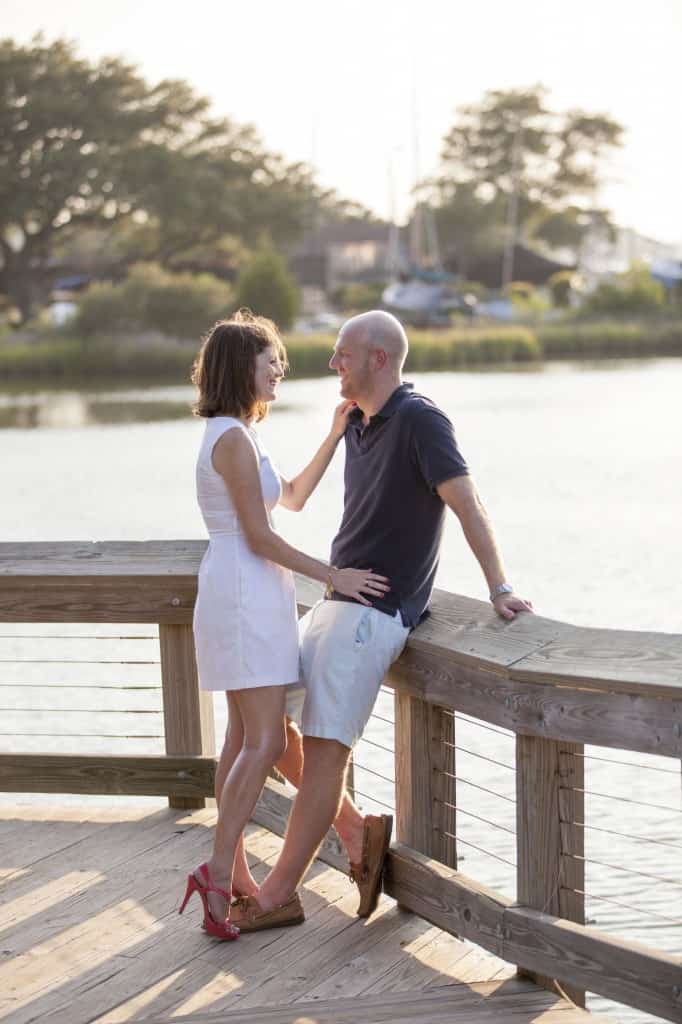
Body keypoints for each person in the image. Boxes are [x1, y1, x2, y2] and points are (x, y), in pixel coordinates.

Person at [229, 310, 533, 933]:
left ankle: (279, 894)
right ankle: (354, 831)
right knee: (269, 721)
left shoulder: (422, 420)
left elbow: (467, 501)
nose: (332, 362)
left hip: (375, 614)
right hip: (335, 600)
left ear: (378, 358)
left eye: (343, 353)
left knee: (324, 749)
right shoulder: (358, 422)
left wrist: (499, 587)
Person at [179, 310, 389, 940]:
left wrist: (333, 434)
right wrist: (335, 576)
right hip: (245, 594)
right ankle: (219, 871)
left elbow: (291, 497)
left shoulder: (239, 434)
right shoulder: (231, 439)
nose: (279, 369)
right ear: (239, 366)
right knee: (265, 742)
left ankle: (234, 877)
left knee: (246, 738)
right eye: (269, 359)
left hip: (249, 592)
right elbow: (260, 536)